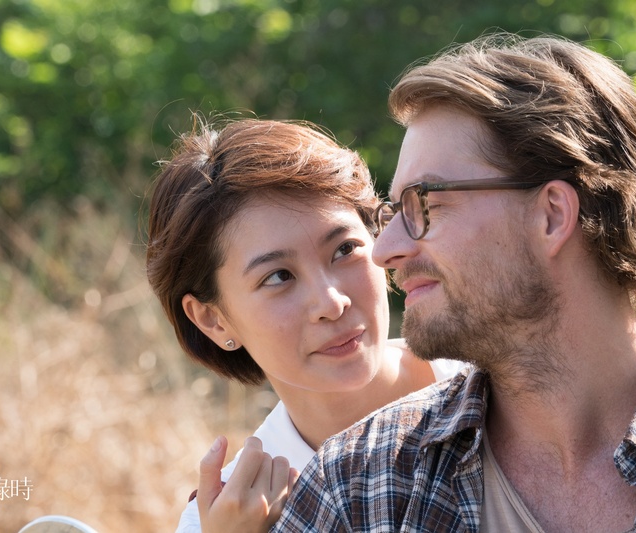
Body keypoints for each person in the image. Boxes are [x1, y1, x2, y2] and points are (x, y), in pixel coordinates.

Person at [272, 32, 636, 532]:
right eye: (393, 211)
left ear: (552, 215)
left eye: (425, 204)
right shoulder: (358, 489)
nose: (384, 250)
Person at [145, 116, 463, 533]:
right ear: (213, 319)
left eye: (345, 249)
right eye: (279, 276)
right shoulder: (226, 519)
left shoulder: (496, 385)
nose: (331, 303)